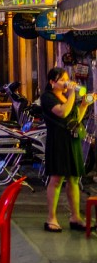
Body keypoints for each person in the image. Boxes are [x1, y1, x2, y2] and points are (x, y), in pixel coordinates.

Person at [41, 67, 92, 232]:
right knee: (56, 179)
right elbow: (62, 113)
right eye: (62, 80)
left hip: (72, 140)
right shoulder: (48, 97)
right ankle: (51, 218)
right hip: (58, 141)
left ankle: (75, 217)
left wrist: (84, 104)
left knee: (74, 179)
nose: (66, 82)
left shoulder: (66, 96)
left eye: (67, 79)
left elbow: (75, 118)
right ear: (52, 82)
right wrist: (71, 95)